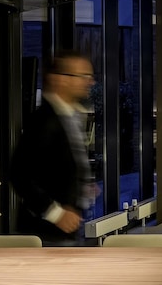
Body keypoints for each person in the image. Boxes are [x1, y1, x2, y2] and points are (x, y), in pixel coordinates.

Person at [10, 50, 97, 245]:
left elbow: (55, 165)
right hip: (45, 233)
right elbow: (19, 173)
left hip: (64, 231)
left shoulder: (69, 116)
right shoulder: (44, 120)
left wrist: (81, 185)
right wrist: (55, 213)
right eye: (83, 76)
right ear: (61, 79)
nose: (90, 82)